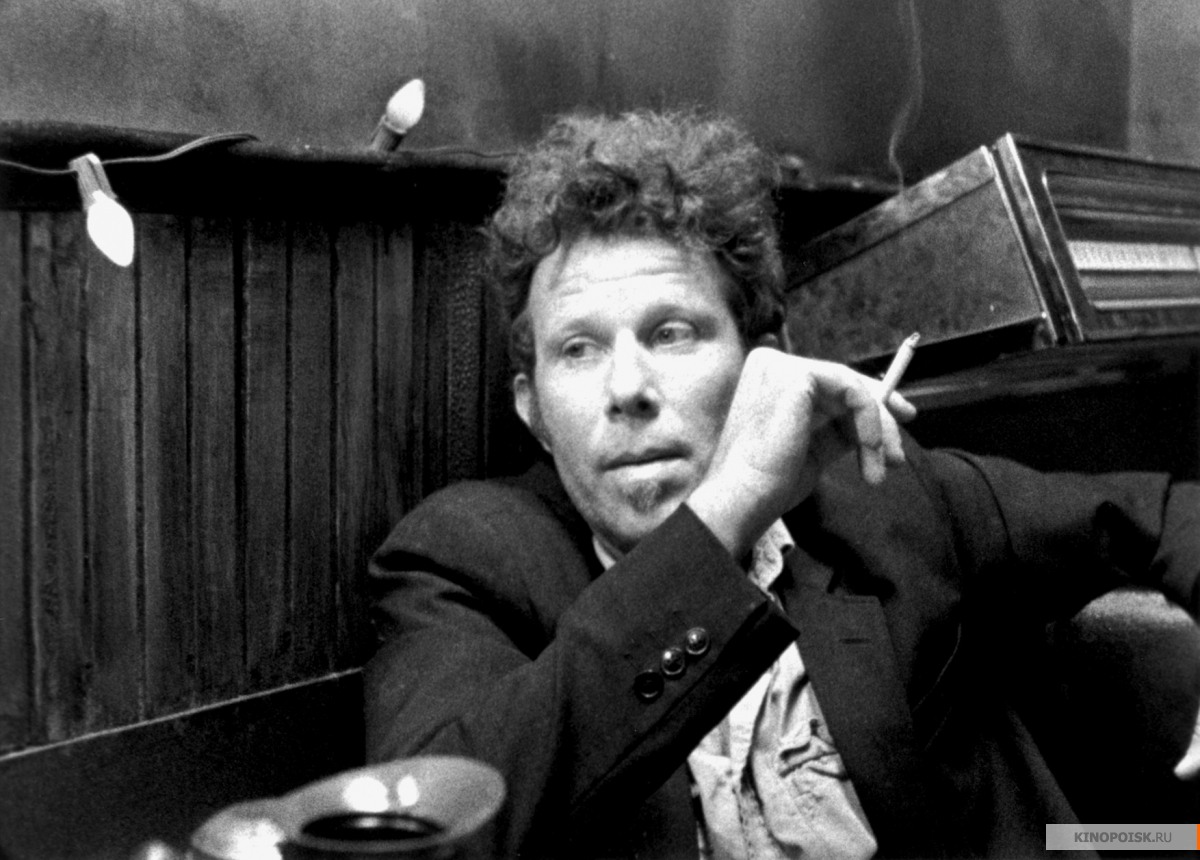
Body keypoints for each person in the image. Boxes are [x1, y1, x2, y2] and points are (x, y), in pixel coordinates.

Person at [363, 109, 1200, 859]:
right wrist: (723, 514)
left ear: (760, 363)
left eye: (672, 333)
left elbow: (1163, 512)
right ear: (534, 410)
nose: (628, 388)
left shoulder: (889, 499)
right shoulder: (463, 563)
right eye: (578, 349)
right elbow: (426, 838)